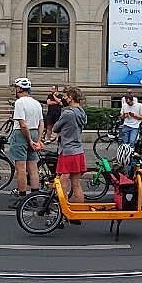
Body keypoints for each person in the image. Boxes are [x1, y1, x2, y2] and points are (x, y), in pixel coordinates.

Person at [53, 87, 88, 217]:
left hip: (67, 150)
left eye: (67, 96)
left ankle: (63, 210)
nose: (65, 98)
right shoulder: (82, 112)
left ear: (71, 97)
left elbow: (56, 127)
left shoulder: (68, 113)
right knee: (76, 183)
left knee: (63, 181)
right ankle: (78, 212)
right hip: (78, 150)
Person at [8, 78, 44, 206]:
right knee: (33, 167)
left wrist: (28, 140)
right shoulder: (36, 103)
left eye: (15, 88)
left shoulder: (19, 103)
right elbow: (41, 123)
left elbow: (22, 124)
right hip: (34, 132)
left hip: (22, 134)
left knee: (21, 168)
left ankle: (22, 198)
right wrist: (37, 140)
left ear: (19, 89)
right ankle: (34, 197)